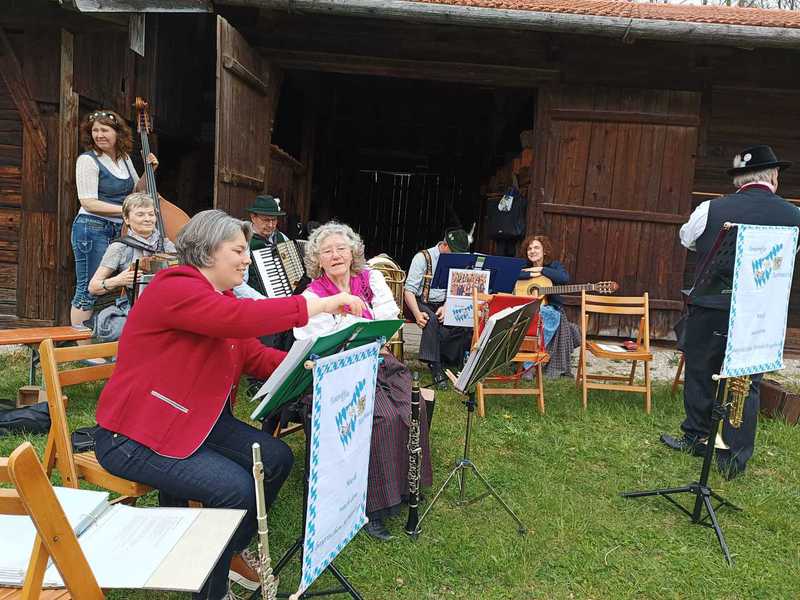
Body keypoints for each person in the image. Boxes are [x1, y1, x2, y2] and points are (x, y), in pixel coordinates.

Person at [92, 210, 365, 600]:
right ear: (208, 252)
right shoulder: (174, 287)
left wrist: (316, 365)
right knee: (235, 490)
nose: (246, 259)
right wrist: (320, 305)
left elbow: (255, 357)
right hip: (135, 434)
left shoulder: (221, 298)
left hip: (197, 423)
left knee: (276, 458)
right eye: (238, 250)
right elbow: (238, 319)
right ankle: (212, 590)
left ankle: (225, 550)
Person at [660, 145, 800, 479]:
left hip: (711, 306)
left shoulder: (711, 208)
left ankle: (697, 437)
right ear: (774, 177)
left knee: (700, 370)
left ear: (739, 180)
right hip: (759, 312)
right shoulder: (795, 216)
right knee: (746, 383)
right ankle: (733, 458)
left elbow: (687, 240)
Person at [294, 221, 433, 541]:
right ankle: (373, 507)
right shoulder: (312, 295)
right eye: (327, 251)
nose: (335, 255)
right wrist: (355, 326)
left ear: (352, 251)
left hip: (378, 361)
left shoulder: (370, 278)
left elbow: (388, 316)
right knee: (381, 418)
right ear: (317, 259)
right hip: (338, 371)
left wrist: (358, 326)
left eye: (341, 248)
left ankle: (405, 487)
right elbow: (312, 340)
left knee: (412, 407)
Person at [71, 109, 158, 334]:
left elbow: (136, 190)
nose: (99, 135)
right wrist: (127, 212)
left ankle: (96, 338)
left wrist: (149, 171)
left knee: (114, 286)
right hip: (92, 227)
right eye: (95, 130)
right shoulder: (87, 160)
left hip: (118, 228)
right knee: (88, 287)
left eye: (105, 130)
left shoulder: (124, 159)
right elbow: (88, 202)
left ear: (118, 133)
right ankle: (79, 344)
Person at [87, 192, 176, 343]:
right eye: (140, 214)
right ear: (127, 219)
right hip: (134, 308)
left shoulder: (166, 244)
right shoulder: (119, 247)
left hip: (166, 306)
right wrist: (119, 280)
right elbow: (93, 287)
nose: (148, 219)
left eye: (151, 214)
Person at [403, 228, 473, 389]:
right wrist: (417, 314)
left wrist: (447, 306)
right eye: (455, 253)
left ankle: (448, 358)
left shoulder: (457, 260)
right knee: (431, 320)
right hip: (418, 301)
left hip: (442, 303)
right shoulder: (422, 258)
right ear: (445, 245)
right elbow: (409, 291)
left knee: (464, 319)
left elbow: (456, 288)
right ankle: (435, 366)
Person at [516, 234, 580, 378]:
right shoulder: (523, 266)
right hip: (525, 306)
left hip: (549, 308)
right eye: (529, 249)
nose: (532, 251)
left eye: (536, 248)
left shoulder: (554, 266)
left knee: (546, 315)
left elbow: (564, 278)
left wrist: (541, 270)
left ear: (544, 251)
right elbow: (512, 275)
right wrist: (530, 274)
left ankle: (528, 366)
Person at [245, 194, 289, 296]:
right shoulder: (244, 241)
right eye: (266, 220)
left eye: (274, 220)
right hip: (256, 300)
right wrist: (260, 299)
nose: (271, 225)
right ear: (253, 217)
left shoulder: (282, 237)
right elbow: (238, 284)